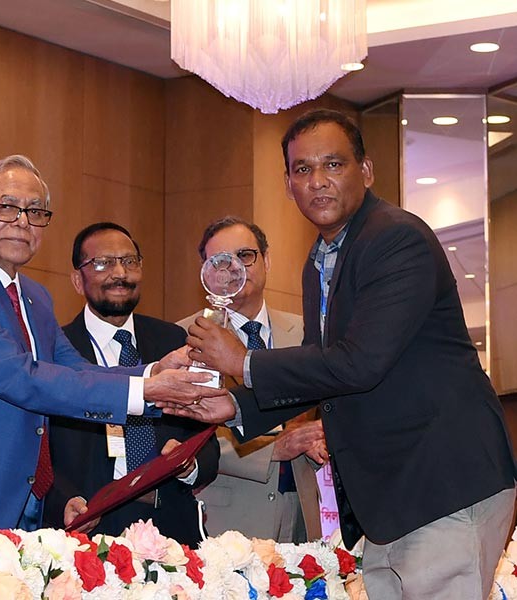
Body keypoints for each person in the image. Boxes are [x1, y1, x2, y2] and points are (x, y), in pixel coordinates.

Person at [172, 109, 517, 599]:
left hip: (442, 482)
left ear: (366, 171)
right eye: (302, 170)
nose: (318, 182)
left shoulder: (397, 238)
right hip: (391, 497)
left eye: (333, 165)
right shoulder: (320, 261)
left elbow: (361, 361)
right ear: (288, 184)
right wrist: (235, 405)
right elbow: (325, 366)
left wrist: (242, 363)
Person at [0, 155, 220, 532]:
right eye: (7, 207)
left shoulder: (34, 296)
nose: (22, 222)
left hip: (26, 503)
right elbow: (21, 377)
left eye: (36, 211)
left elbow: (73, 369)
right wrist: (146, 391)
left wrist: (153, 371)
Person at [43, 222, 220, 545]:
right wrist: (62, 502)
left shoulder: (174, 341)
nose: (120, 273)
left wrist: (190, 464)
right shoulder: (55, 349)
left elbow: (205, 436)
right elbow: (40, 450)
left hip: (172, 528)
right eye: (103, 263)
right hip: (89, 525)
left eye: (130, 261)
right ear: (76, 280)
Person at [178, 216, 325, 543]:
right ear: (204, 272)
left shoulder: (307, 332)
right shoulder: (185, 337)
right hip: (225, 516)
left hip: (304, 511)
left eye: (245, 256)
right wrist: (272, 449)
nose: (234, 269)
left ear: (266, 260)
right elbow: (180, 438)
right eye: (220, 261)